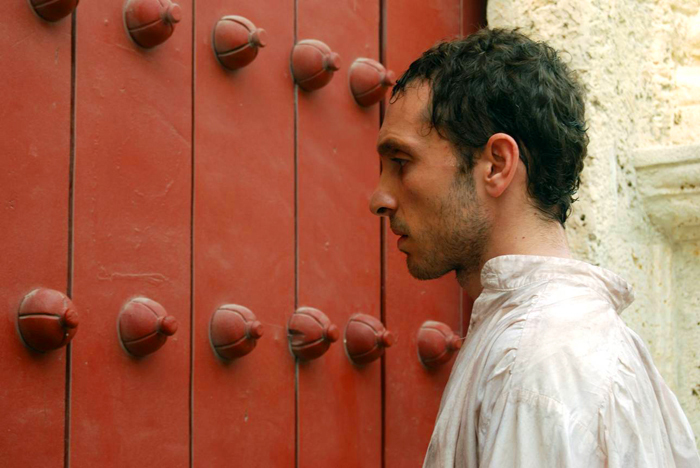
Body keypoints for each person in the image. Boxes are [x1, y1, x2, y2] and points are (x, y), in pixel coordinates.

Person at [369, 28, 700, 467]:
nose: (379, 198)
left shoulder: (539, 361)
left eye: (401, 162)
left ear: (497, 165)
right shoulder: (548, 342)